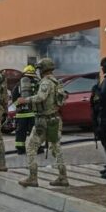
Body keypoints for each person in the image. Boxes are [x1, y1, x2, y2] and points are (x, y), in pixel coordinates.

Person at [17, 58, 68, 188]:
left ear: (43, 69)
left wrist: (25, 100)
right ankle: (63, 177)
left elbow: (41, 97)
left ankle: (32, 178)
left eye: (39, 69)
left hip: (43, 121)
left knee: (30, 147)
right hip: (55, 119)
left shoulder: (45, 82)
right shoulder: (57, 82)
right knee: (56, 149)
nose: (38, 71)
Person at [11, 65, 39, 155]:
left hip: (21, 114)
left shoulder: (19, 85)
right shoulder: (37, 84)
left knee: (20, 133)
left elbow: (14, 98)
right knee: (34, 132)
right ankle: (37, 149)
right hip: (33, 114)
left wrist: (18, 104)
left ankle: (20, 150)